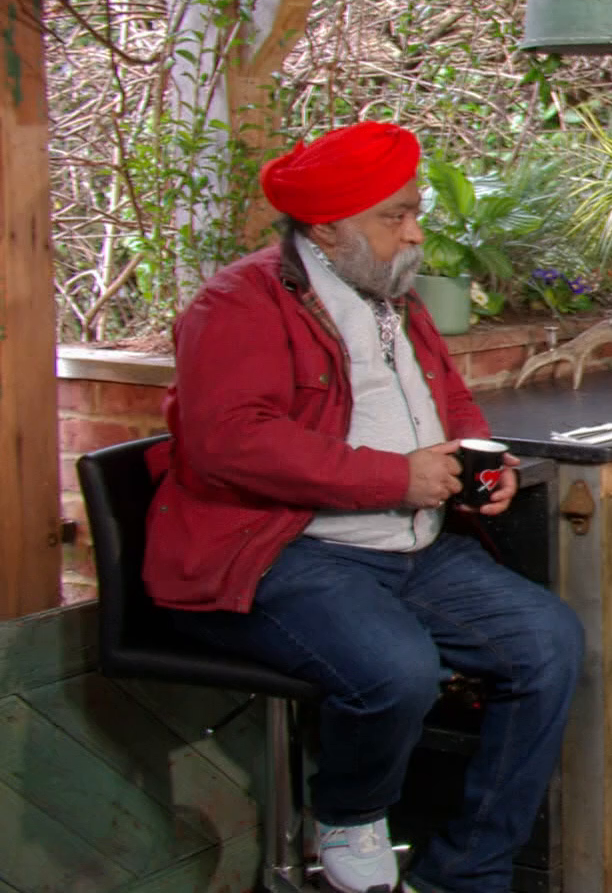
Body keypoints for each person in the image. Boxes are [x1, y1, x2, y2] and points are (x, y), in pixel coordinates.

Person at [144, 122, 584, 893]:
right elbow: (228, 443)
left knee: (548, 644)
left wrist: (481, 461)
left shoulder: (392, 295)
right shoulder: (238, 302)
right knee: (396, 670)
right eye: (395, 217)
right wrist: (392, 478)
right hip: (286, 549)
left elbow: (446, 397)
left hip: (412, 545)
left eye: (414, 213)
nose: (414, 234)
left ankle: (467, 874)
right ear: (326, 227)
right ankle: (349, 815)